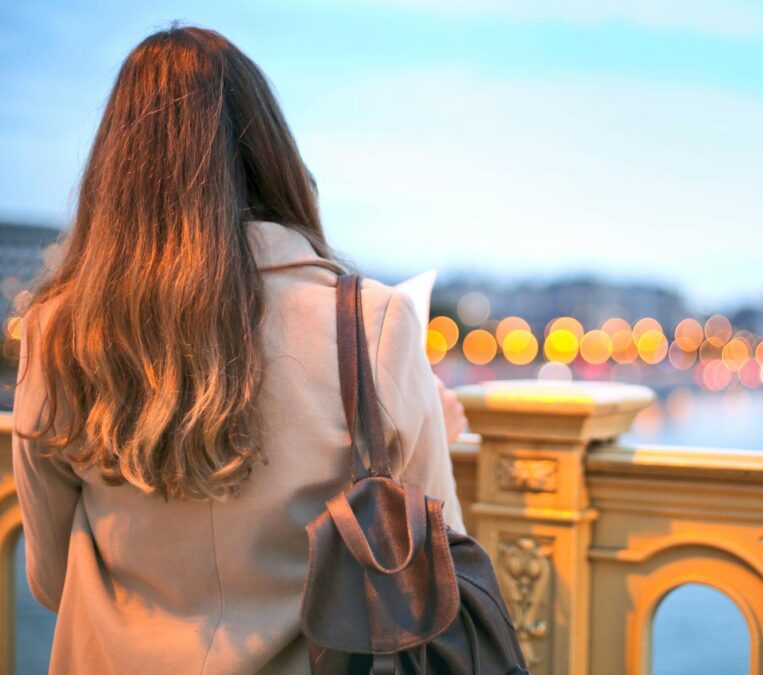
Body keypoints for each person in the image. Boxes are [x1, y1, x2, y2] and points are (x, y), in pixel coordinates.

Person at [12, 25, 467, 674]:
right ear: (271, 155)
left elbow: (51, 580)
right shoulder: (373, 323)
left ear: (114, 171)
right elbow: (441, 562)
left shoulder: (58, 330)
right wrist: (437, 428)